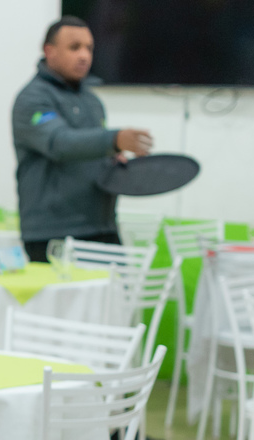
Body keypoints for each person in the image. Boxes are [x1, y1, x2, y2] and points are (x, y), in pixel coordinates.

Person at [13, 15, 154, 264]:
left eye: (89, 48)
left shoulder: (92, 101)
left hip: (102, 227)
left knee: (114, 301)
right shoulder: (33, 100)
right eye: (74, 47)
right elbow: (60, 143)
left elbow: (91, 147)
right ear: (50, 51)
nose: (84, 56)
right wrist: (114, 140)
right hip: (53, 233)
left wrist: (111, 158)